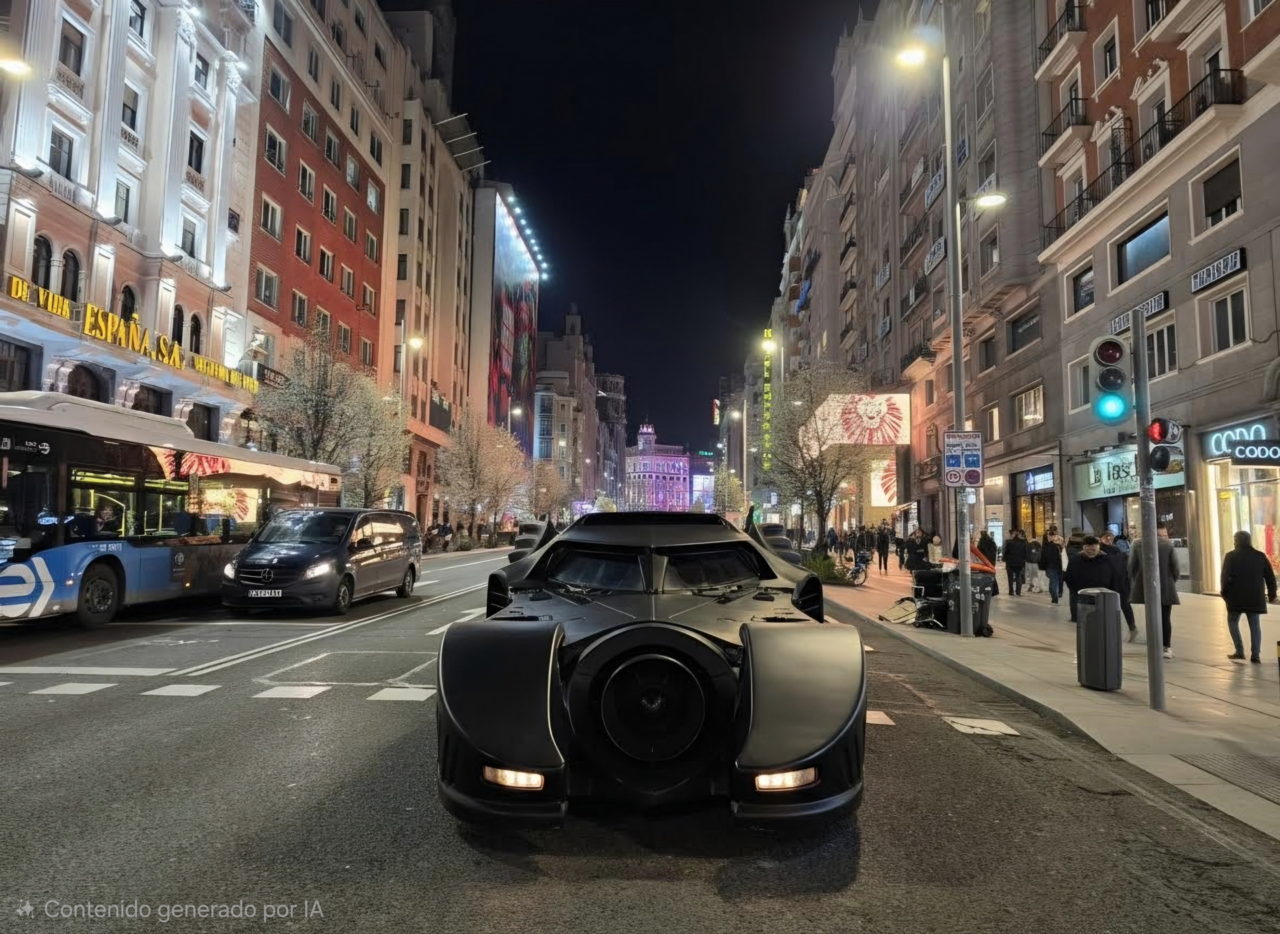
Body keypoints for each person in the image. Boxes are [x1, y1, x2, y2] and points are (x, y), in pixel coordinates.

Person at [1219, 530, 1278, 664]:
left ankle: (1239, 651)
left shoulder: (1231, 556)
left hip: (1235, 598)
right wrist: (1272, 594)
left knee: (1233, 622)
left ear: (1237, 541)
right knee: (1255, 625)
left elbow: (1225, 577)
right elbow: (1270, 577)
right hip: (1255, 597)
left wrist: (1224, 593)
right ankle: (1255, 655)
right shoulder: (1260, 556)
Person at [1129, 522, 1180, 659]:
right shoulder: (1168, 545)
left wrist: (1140, 582)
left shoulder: (1137, 544)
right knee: (1165, 617)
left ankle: (1153, 644)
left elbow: (1132, 567)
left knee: (1151, 616)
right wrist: (1170, 581)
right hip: (1166, 586)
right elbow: (1175, 568)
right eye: (1163, 534)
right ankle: (1166, 646)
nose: (1164, 537)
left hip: (1146, 587)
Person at [1064, 536, 1118, 623]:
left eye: (1093, 550)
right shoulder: (1075, 560)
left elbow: (1114, 577)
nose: (1090, 552)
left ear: (1098, 547)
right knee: (1084, 626)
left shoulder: (1107, 560)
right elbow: (1069, 578)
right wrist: (1075, 591)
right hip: (1082, 597)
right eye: (1087, 549)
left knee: (1101, 624)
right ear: (1083, 548)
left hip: (1102, 597)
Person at [1099, 530, 1138, 641]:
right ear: (1101, 538)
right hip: (1109, 583)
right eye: (1106, 537)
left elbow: (1127, 567)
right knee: (1111, 608)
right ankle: (1112, 631)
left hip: (1120, 582)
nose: (1108, 539)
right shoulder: (1101, 552)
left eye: (1110, 537)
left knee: (1124, 606)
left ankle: (1132, 628)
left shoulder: (1118, 551)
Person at [1040, 530, 1064, 605]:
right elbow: (1043, 558)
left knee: (1057, 582)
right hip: (1051, 567)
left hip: (1059, 567)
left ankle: (1057, 595)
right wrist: (1044, 567)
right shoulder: (1046, 546)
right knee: (1054, 582)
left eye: (1052, 535)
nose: (1051, 537)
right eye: (1049, 535)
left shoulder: (1058, 545)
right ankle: (1055, 599)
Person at [1003, 529, 1028, 596]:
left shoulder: (1009, 543)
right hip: (1019, 562)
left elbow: (1006, 552)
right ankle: (1018, 592)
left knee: (1010, 577)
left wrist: (1005, 559)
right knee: (1018, 576)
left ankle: (1011, 591)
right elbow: (1025, 553)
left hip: (1010, 562)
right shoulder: (1023, 543)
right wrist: (1024, 560)